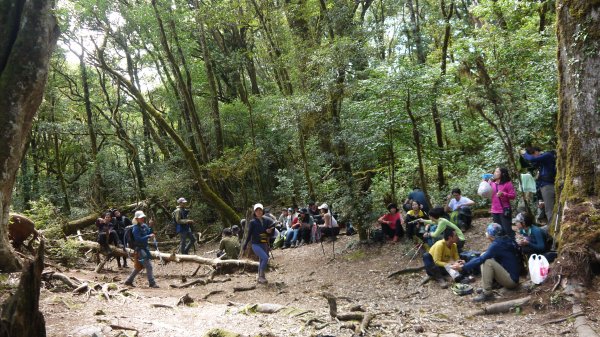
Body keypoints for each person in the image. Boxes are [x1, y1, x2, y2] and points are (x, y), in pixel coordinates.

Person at [458, 223, 521, 302]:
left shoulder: (497, 245)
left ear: (491, 235)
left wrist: (463, 267)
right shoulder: (506, 239)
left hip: (511, 281)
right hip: (512, 275)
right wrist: (467, 262)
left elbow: (481, 259)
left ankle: (487, 293)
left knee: (487, 262)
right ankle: (491, 285)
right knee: (485, 255)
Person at [124, 211, 159, 288]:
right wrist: (148, 236)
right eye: (140, 218)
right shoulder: (135, 228)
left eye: (143, 217)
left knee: (138, 267)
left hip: (144, 248)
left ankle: (128, 281)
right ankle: (152, 283)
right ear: (136, 219)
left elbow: (148, 232)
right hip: (139, 249)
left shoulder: (144, 226)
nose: (142, 218)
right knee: (149, 266)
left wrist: (150, 226)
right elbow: (138, 239)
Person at [522, 147, 556, 223]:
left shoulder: (547, 155)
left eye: (533, 155)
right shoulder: (541, 161)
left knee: (549, 209)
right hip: (544, 186)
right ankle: (552, 226)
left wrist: (524, 153)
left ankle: (553, 228)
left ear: (536, 152)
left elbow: (532, 159)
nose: (534, 157)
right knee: (548, 208)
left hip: (548, 185)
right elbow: (530, 163)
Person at [242, 203, 274, 284]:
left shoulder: (266, 220)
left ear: (262, 211)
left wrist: (269, 231)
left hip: (264, 243)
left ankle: (259, 277)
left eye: (260, 210)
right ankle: (261, 276)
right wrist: (245, 245)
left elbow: (270, 233)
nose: (259, 212)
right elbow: (249, 235)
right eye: (257, 210)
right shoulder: (252, 222)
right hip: (255, 244)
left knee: (261, 260)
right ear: (254, 212)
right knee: (265, 258)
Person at [484, 167, 517, 237]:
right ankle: (502, 246)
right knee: (498, 230)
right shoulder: (491, 183)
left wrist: (503, 194)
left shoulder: (507, 184)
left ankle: (513, 245)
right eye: (494, 172)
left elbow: (513, 196)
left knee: (507, 230)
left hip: (504, 210)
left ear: (502, 174)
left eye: (497, 172)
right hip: (494, 210)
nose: (494, 173)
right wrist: (484, 182)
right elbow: (484, 192)